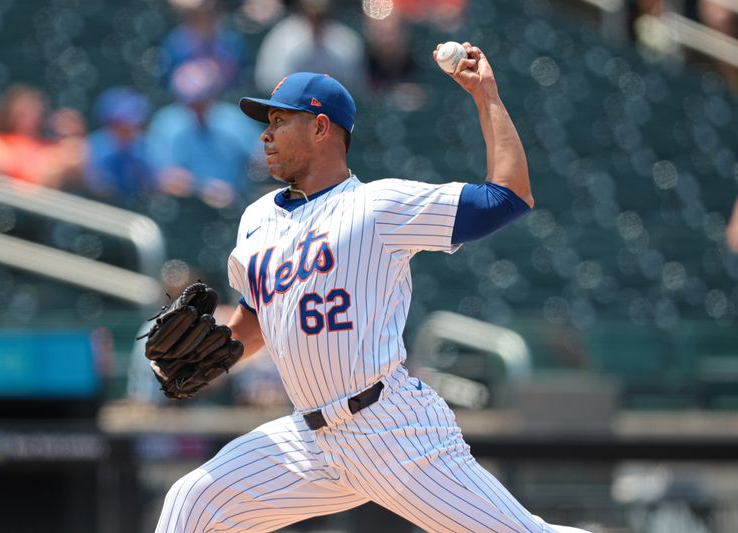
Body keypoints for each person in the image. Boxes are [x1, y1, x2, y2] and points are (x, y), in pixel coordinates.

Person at [154, 43, 591, 532]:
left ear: (321, 127)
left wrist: (485, 93)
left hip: (391, 427)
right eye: (267, 123)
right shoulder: (257, 219)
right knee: (193, 501)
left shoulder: (377, 206)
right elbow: (258, 317)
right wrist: (218, 353)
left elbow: (508, 196)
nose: (267, 135)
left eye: (280, 121)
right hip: (310, 439)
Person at [145, 59, 264, 208]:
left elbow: (263, 157)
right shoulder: (166, 123)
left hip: (236, 204)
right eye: (191, 103)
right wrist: (203, 189)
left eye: (203, 100)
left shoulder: (233, 119)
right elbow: (163, 177)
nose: (197, 109)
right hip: (187, 207)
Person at [85, 86, 156, 204]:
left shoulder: (143, 147)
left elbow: (151, 185)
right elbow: (96, 188)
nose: (130, 127)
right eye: (123, 123)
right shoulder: (91, 148)